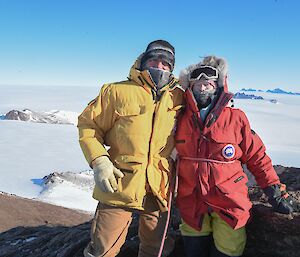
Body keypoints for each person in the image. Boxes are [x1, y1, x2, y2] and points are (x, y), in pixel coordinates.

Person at [174, 55, 300, 257]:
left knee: (228, 250)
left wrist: (275, 191)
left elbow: (257, 156)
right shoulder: (178, 118)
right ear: (189, 88)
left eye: (208, 83)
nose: (203, 88)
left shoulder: (236, 118)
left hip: (229, 204)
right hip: (192, 205)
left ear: (219, 85)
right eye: (198, 85)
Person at [77, 40, 184, 257]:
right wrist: (100, 160)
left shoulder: (179, 96)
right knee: (103, 251)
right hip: (119, 184)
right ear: (143, 61)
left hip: (159, 187)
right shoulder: (116, 91)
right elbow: (88, 126)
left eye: (166, 63)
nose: (159, 66)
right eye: (154, 59)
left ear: (171, 68)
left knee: (156, 251)